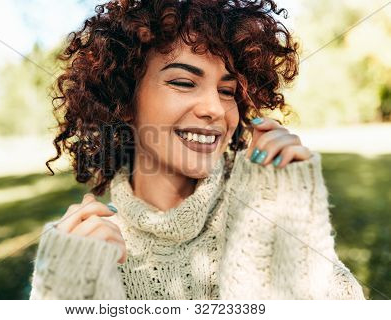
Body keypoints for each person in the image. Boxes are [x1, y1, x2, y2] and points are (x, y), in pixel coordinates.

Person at [29, 0, 365, 299]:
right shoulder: (87, 248)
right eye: (184, 83)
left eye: (227, 90)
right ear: (124, 99)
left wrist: (291, 221)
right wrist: (60, 297)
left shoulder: (262, 204)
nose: (215, 109)